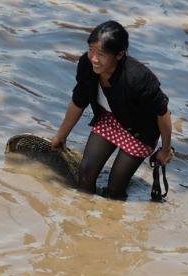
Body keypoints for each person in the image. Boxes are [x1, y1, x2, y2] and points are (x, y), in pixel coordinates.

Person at [51, 20, 174, 199]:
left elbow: (163, 113)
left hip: (140, 131)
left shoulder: (137, 78)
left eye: (101, 54)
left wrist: (165, 149)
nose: (93, 58)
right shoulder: (87, 65)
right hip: (110, 119)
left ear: (119, 55)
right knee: (85, 174)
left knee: (115, 189)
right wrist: (61, 135)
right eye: (91, 49)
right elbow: (79, 100)